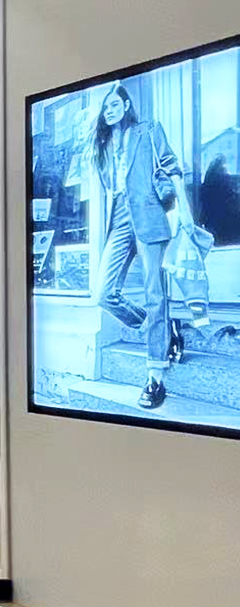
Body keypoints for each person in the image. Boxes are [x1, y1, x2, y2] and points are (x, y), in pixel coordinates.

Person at [89, 82, 188, 409]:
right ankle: (158, 328)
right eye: (105, 107)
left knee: (154, 293)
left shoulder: (148, 130)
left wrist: (185, 211)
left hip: (147, 213)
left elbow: (171, 166)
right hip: (119, 218)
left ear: (127, 105)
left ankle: (155, 377)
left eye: (114, 105)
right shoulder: (104, 146)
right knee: (103, 293)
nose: (109, 111)